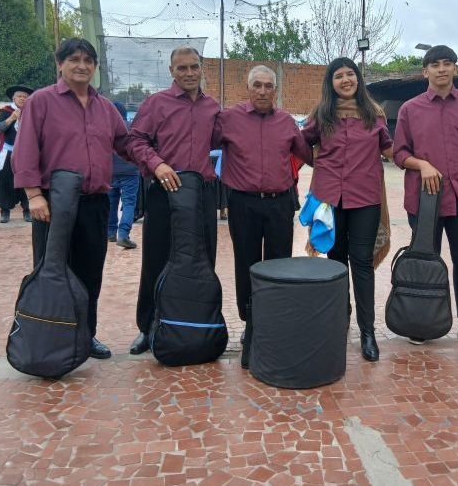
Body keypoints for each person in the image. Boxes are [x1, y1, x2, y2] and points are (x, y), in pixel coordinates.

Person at [12, 38, 128, 359]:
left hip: (94, 203)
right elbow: (25, 151)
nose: (82, 65)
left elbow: (126, 144)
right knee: (52, 269)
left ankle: (85, 336)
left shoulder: (105, 107)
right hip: (53, 203)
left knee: (91, 272)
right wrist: (34, 195)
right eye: (74, 59)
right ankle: (48, 336)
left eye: (88, 60)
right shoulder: (41, 101)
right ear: (59, 64)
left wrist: (159, 160)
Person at [393, 45, 458, 349]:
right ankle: (421, 322)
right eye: (434, 64)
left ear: (455, 69)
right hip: (425, 201)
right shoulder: (410, 109)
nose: (441, 69)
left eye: (447, 63)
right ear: (425, 71)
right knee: (425, 260)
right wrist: (421, 164)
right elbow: (399, 153)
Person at [214, 65, 313, 365]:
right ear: (248, 88)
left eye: (268, 86)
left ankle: (275, 319)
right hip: (243, 203)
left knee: (279, 262)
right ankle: (250, 321)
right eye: (257, 85)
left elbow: (310, 155)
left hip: (279, 204)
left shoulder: (286, 122)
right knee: (246, 262)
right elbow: (201, 146)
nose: (262, 91)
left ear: (275, 90)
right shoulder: (228, 119)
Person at [126, 46, 220, 355]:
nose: (189, 73)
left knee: (203, 260)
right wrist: (157, 164)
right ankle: (148, 325)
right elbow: (134, 141)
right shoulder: (156, 104)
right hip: (165, 193)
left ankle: (196, 321)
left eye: (194, 67)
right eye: (182, 68)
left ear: (201, 67)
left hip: (202, 194)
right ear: (171, 71)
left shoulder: (212, 107)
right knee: (156, 259)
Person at [302, 58, 392, 362]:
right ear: (331, 82)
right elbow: (302, 144)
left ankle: (368, 332)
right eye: (338, 76)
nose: (345, 80)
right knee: (336, 262)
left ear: (358, 79)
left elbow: (390, 148)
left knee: (362, 264)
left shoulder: (374, 114)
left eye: (349, 74)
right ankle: (340, 321)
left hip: (366, 198)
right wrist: (320, 166)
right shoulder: (321, 114)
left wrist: (420, 158)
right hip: (330, 201)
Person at [0, 86, 34, 223]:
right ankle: (5, 211)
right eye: (20, 96)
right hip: (9, 152)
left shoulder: (31, 111)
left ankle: (27, 210)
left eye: (25, 96)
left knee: (26, 181)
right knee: (5, 182)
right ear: (14, 98)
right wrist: (12, 118)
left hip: (27, 153)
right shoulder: (5, 112)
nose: (23, 98)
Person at [107, 102, 139, 249]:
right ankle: (123, 234)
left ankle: (111, 232)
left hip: (110, 171)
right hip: (130, 171)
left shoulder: (106, 127)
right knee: (129, 202)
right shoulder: (132, 127)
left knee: (111, 203)